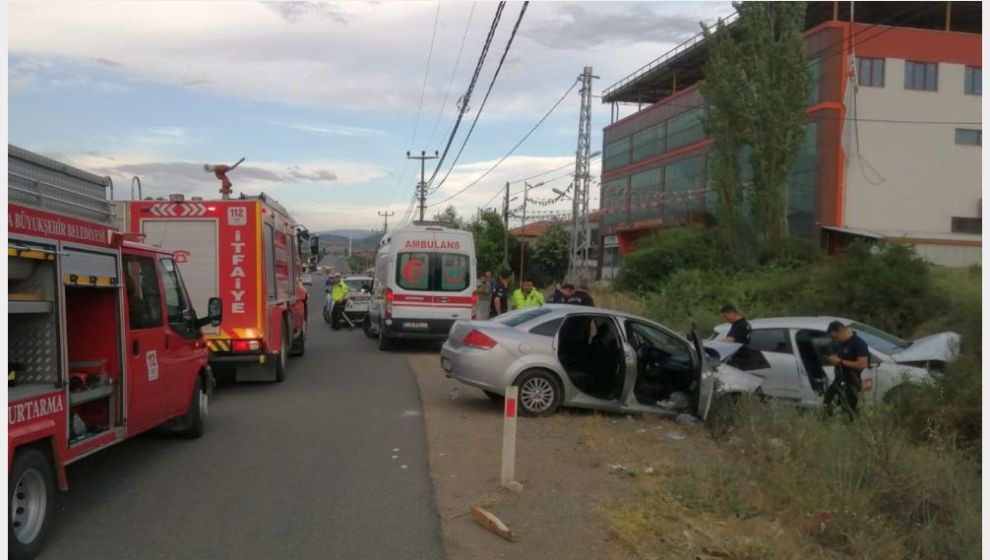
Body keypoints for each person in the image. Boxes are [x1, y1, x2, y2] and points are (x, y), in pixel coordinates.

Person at [824, 321, 870, 419]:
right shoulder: (840, 343)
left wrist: (840, 361)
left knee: (849, 409)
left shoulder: (858, 344)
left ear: (841, 330)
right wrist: (833, 359)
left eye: (836, 337)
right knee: (827, 400)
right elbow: (839, 357)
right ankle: (827, 423)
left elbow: (862, 364)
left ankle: (851, 426)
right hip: (839, 379)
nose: (835, 340)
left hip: (852, 382)